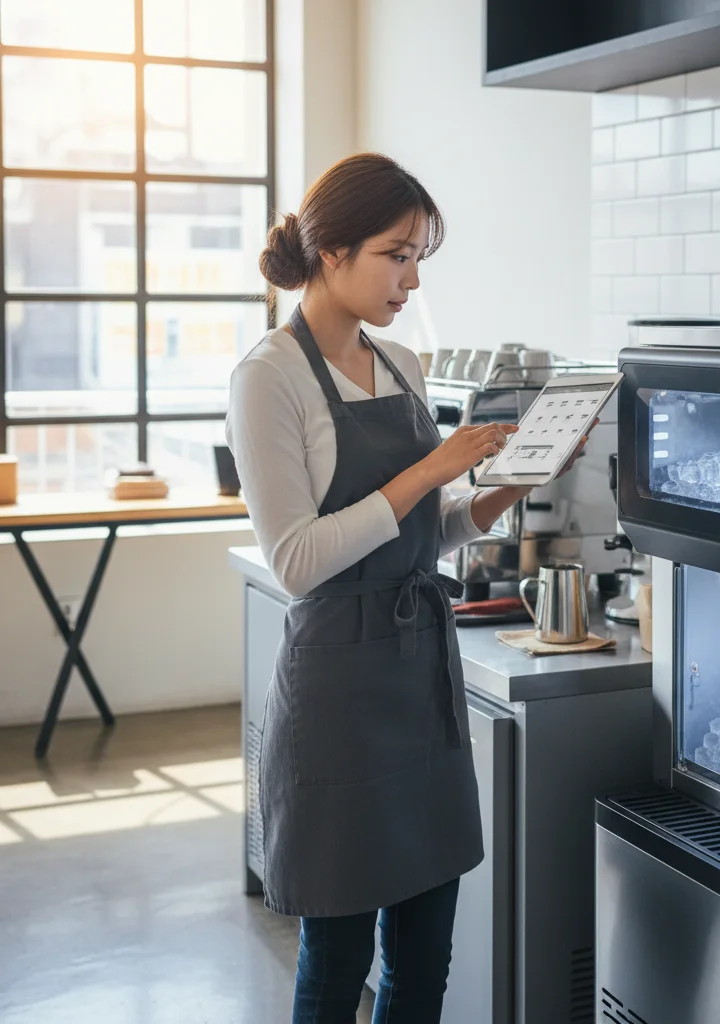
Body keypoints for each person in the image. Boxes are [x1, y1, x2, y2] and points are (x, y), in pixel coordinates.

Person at [225, 153, 588, 1024]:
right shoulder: (267, 377)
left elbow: (435, 531)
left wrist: (515, 481)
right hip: (339, 694)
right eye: (397, 254)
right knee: (337, 960)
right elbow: (299, 561)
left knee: (426, 960)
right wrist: (430, 469)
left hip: (420, 679)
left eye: (420, 255)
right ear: (332, 251)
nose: (411, 278)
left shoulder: (402, 365)